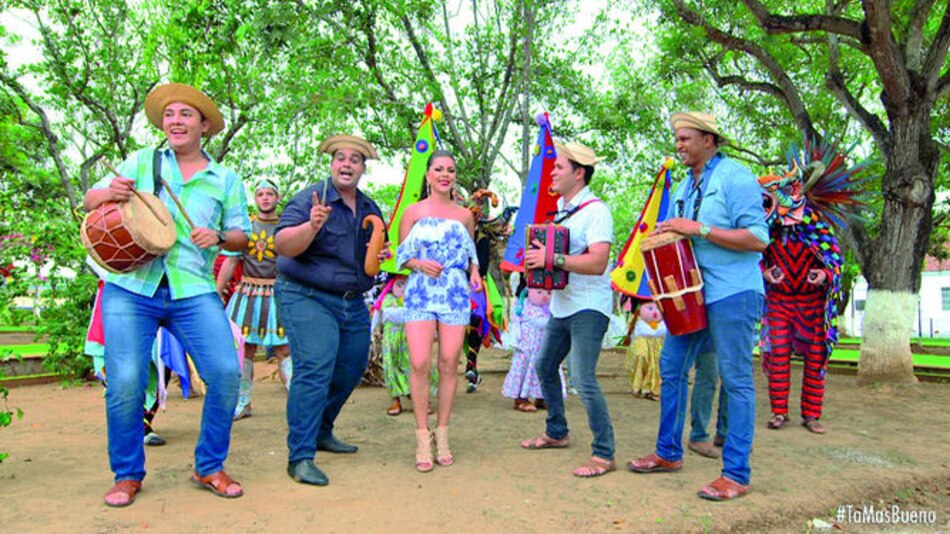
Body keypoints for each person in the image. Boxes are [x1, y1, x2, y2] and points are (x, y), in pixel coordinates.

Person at [83, 83, 251, 507]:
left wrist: (220, 236)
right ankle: (127, 474)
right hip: (131, 287)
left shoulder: (225, 179)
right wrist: (109, 194)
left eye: (186, 114)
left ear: (204, 125)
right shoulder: (142, 161)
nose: (176, 121)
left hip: (192, 288)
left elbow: (242, 237)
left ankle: (209, 465)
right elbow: (91, 198)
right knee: (124, 381)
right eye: (170, 114)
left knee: (226, 373)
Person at [627, 112, 768, 501]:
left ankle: (736, 474)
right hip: (692, 297)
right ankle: (669, 452)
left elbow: (758, 237)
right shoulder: (686, 186)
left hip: (734, 293)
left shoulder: (735, 177)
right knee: (671, 367)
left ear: (710, 140)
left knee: (736, 380)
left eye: (686, 138)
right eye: (677, 138)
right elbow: (685, 240)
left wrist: (699, 229)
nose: (680, 145)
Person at [274, 134, 385, 486]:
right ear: (332, 163)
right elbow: (282, 246)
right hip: (305, 294)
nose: (347, 164)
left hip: (352, 302)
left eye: (355, 159)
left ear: (363, 168)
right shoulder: (311, 198)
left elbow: (369, 262)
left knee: (351, 368)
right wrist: (312, 225)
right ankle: (301, 456)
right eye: (340, 157)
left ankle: (321, 430)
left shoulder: (370, 208)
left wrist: (378, 257)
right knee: (315, 366)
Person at [519, 141, 617, 478]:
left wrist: (552, 259)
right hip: (562, 306)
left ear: (579, 173)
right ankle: (557, 432)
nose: (553, 172)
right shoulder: (560, 210)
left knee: (582, 377)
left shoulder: (596, 211)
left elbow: (599, 262)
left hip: (590, 307)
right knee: (544, 365)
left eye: (559, 167)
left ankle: (604, 453)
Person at [397, 149, 482, 472]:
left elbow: (471, 253)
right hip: (420, 290)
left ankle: (442, 433)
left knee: (449, 362)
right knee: (419, 361)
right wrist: (419, 263)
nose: (445, 174)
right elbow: (402, 256)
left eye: (450, 170)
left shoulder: (464, 215)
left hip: (454, 293)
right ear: (428, 174)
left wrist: (474, 272)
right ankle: (422, 434)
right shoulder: (412, 211)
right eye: (439, 169)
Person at [217, 178, 292, 420]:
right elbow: (230, 261)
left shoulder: (285, 228)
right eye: (261, 194)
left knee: (283, 349)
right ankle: (243, 402)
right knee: (243, 349)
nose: (265, 198)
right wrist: (217, 293)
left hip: (277, 295)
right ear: (255, 198)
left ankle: (298, 403)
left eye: (270, 193)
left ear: (277, 198)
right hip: (247, 294)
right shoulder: (245, 228)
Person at [378, 274, 438, 415]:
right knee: (391, 367)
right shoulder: (387, 300)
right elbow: (386, 315)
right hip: (391, 342)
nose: (403, 289)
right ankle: (395, 399)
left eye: (407, 284)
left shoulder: (416, 300)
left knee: (416, 365)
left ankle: (422, 399)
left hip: (412, 339)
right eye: (399, 285)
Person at [502, 287, 565, 411]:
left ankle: (543, 396)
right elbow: (539, 323)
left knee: (547, 368)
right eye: (539, 292)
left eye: (549, 293)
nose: (545, 296)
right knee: (525, 370)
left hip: (545, 346)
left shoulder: (550, 308)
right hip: (527, 348)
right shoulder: (525, 307)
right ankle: (521, 398)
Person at [625, 300, 665, 401]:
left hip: (657, 339)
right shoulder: (637, 299)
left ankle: (652, 388)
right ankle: (637, 385)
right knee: (641, 356)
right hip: (641, 337)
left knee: (656, 362)